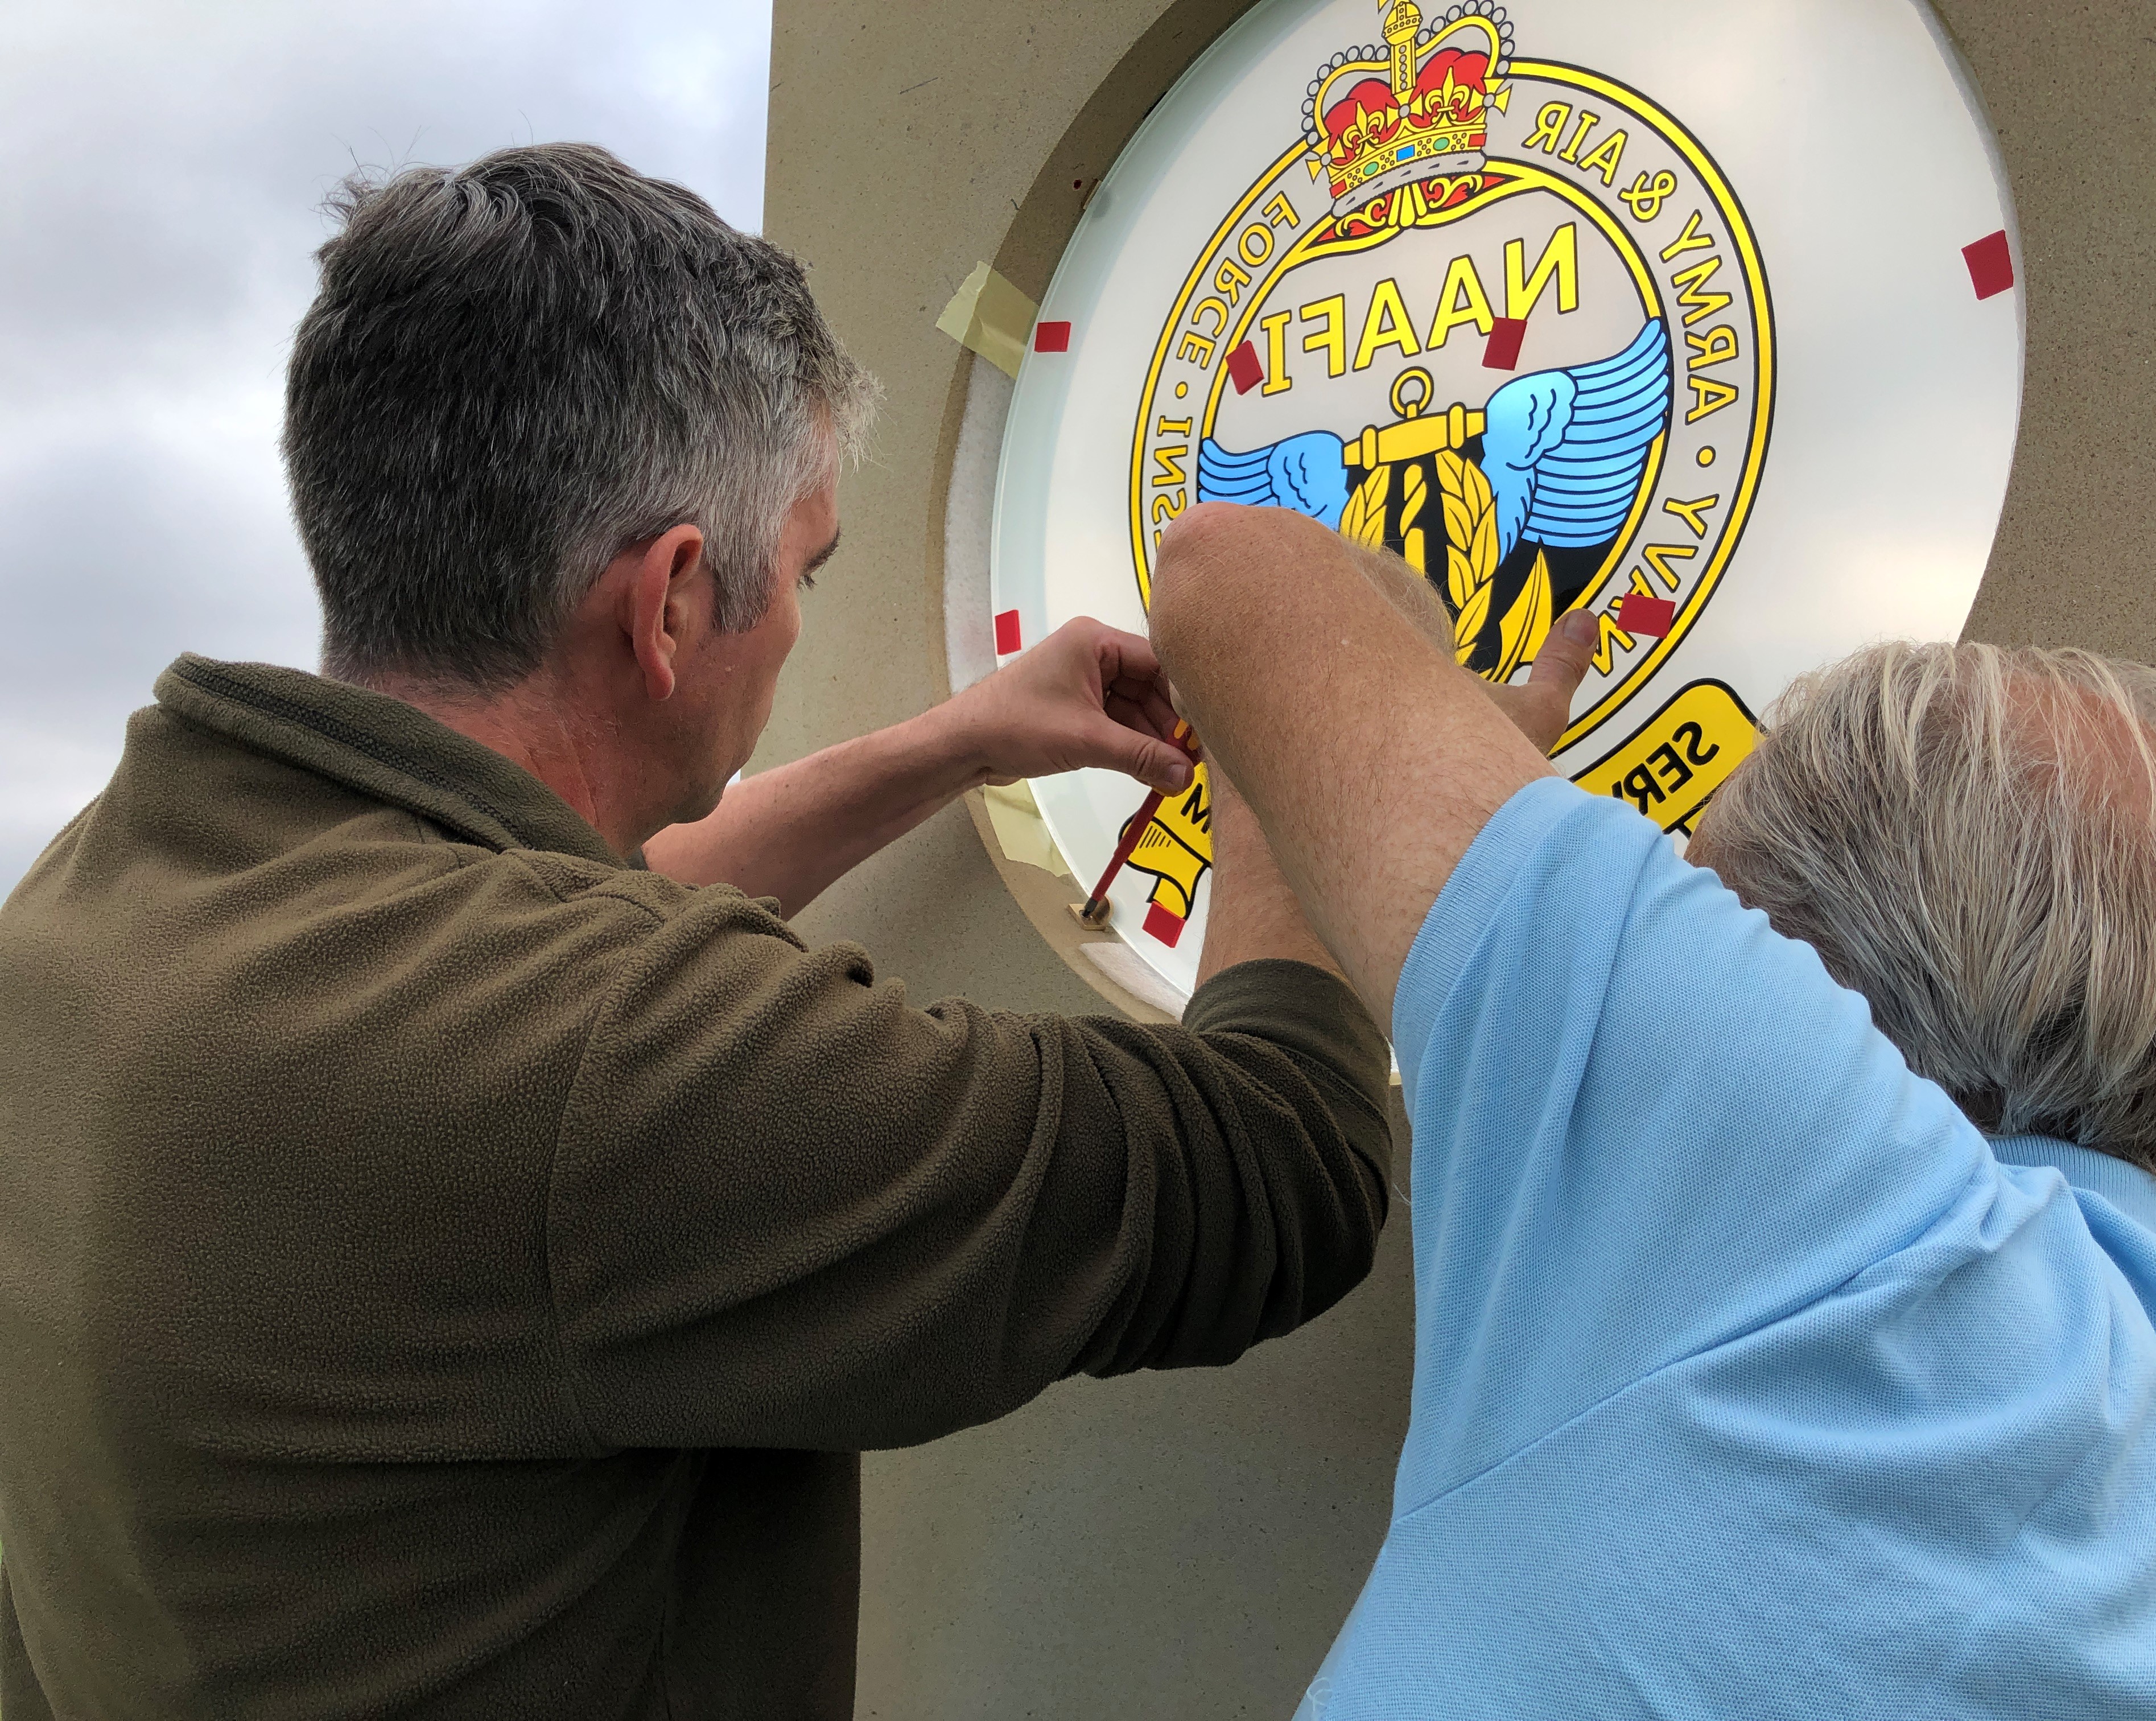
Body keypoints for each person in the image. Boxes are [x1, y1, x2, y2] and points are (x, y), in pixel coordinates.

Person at [0, 145, 1407, 1720]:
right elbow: (1277, 1160)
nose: (798, 617)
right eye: (805, 569)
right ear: (671, 601)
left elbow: (551, 934)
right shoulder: (596, 1069)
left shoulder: (90, 913)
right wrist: (1305, 711)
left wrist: (955, 741)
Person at [1149, 500, 2156, 1720]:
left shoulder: (1798, 1176)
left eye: (1697, 891)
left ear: (1794, 974)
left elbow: (1229, 570)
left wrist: (1410, 749)